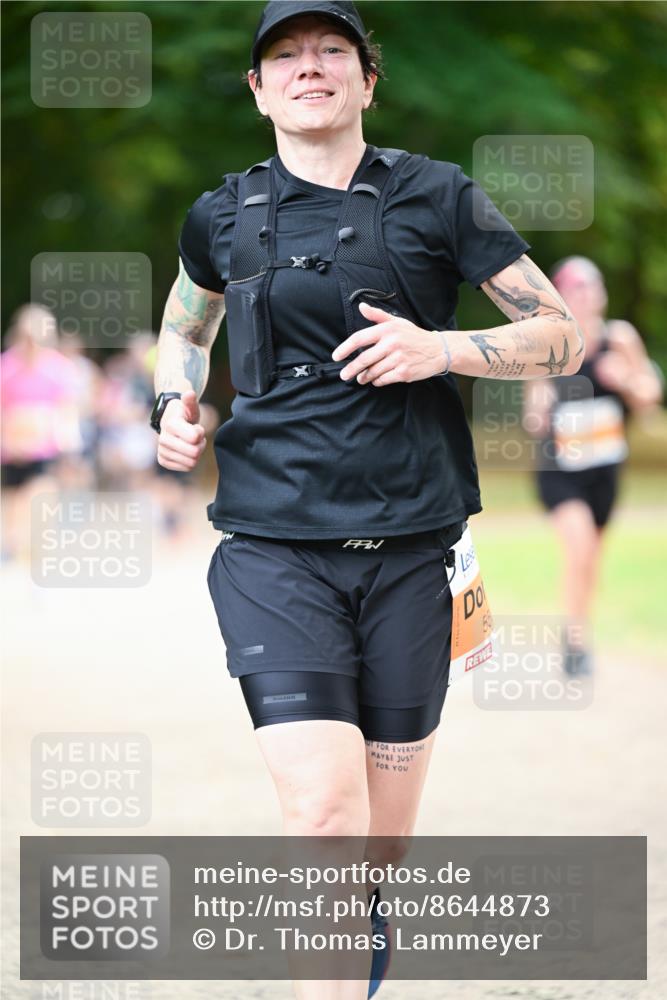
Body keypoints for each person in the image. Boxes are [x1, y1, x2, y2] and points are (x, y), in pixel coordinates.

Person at [153, 3, 583, 996]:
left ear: (366, 80)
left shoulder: (439, 197)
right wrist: (169, 402)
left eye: (331, 52)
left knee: (373, 857)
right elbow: (185, 327)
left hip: (413, 553)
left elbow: (558, 331)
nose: (309, 68)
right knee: (324, 824)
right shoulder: (220, 214)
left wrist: (443, 349)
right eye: (285, 57)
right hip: (271, 549)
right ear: (258, 89)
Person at [523, 256, 662, 675]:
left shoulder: (619, 338)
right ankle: (576, 644)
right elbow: (533, 419)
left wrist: (628, 382)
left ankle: (577, 631)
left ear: (600, 294)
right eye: (575, 288)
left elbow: (650, 395)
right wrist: (541, 409)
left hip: (605, 468)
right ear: (563, 297)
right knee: (579, 545)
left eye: (591, 286)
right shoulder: (551, 344)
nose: (585, 295)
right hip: (560, 470)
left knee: (592, 558)